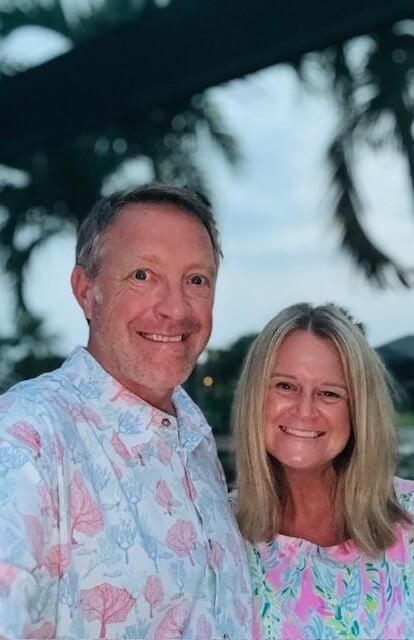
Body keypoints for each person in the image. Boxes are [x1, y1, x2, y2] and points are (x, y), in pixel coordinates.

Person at [0, 184, 252, 640]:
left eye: (196, 280)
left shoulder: (192, 433)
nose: (176, 308)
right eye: (142, 275)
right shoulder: (27, 437)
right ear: (86, 291)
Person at [233, 302, 414, 640]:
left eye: (329, 393)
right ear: (254, 397)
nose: (305, 410)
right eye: (285, 386)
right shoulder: (216, 537)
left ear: (358, 411)